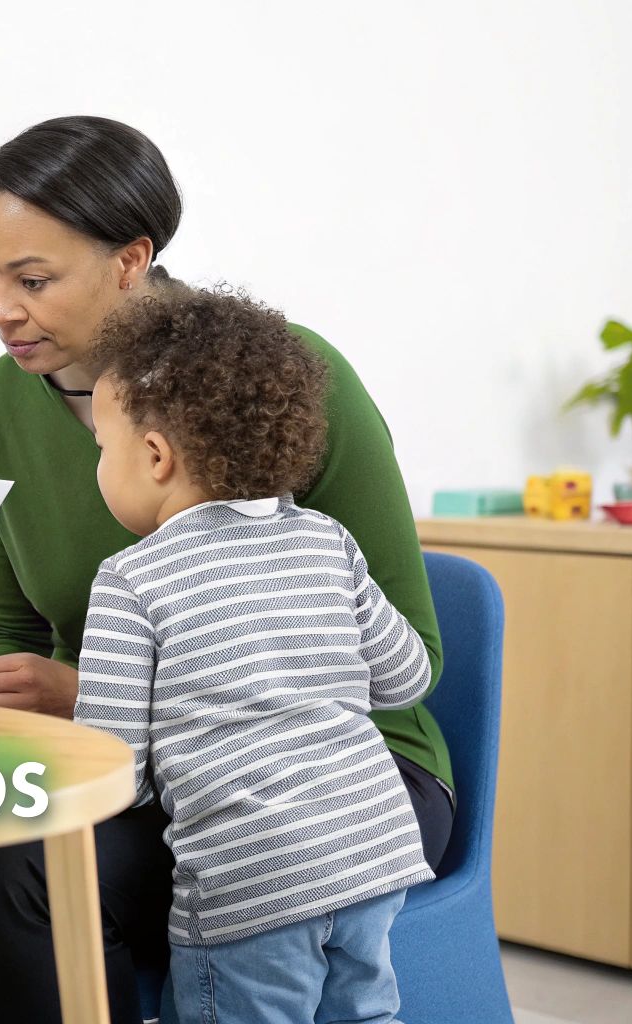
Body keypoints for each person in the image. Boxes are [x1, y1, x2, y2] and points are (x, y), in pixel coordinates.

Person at [0, 115, 452, 1023]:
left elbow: (413, 656)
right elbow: (18, 625)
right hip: (108, 751)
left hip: (330, 774)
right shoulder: (5, 400)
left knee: (19, 877)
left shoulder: (284, 378)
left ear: (132, 259)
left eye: (31, 280)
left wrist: (95, 697)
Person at [78, 286, 433, 1023]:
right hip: (371, 848)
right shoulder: (327, 541)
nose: (99, 466)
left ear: (154, 456)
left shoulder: (132, 579)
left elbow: (110, 771)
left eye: (101, 447)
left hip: (251, 877)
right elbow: (406, 678)